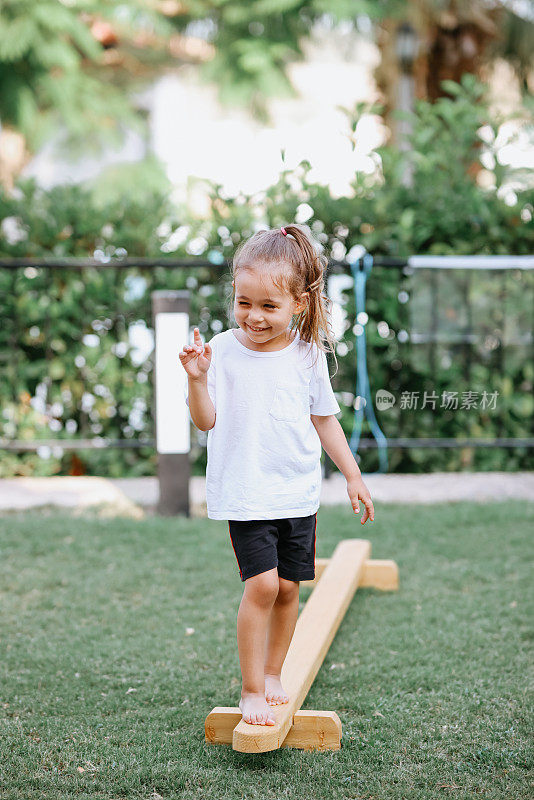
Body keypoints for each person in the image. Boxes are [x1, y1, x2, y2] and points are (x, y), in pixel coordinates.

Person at [179, 224, 374, 727]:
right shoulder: (219, 351)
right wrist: (197, 380)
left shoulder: (308, 355)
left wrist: (352, 475)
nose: (255, 317)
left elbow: (324, 420)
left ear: (300, 304)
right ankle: (249, 688)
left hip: (297, 494)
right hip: (246, 494)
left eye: (269, 306)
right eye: (245, 303)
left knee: (290, 588)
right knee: (262, 586)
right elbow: (205, 420)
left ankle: (271, 674)